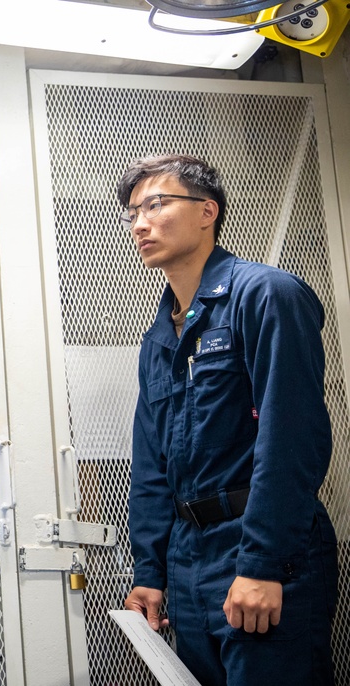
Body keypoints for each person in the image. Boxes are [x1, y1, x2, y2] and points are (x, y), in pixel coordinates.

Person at [119, 154, 338, 685]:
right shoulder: (161, 335)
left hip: (258, 548)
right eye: (131, 214)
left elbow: (292, 437)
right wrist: (150, 571)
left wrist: (263, 565)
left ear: (207, 212)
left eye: (156, 204)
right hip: (190, 558)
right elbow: (151, 464)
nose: (141, 223)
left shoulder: (265, 294)